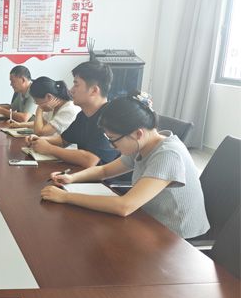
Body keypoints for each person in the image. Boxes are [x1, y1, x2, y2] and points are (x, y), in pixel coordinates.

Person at [40, 94, 210, 239]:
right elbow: (105, 170)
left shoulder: (168, 155)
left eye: (113, 139)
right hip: (148, 221)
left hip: (177, 237)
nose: (112, 146)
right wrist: (71, 178)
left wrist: (65, 197)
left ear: (138, 133)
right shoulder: (144, 144)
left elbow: (124, 206)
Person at [26, 61, 119, 168]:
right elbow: (64, 140)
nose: (71, 90)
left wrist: (49, 149)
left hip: (106, 178)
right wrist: (40, 140)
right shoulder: (83, 114)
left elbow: (90, 160)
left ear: (94, 90)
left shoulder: (109, 118)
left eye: (76, 85)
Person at [7, 76, 80, 136]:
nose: (36, 103)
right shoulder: (52, 105)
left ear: (49, 96)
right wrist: (20, 125)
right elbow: (42, 123)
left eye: (37, 101)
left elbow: (39, 132)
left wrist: (39, 109)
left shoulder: (68, 110)